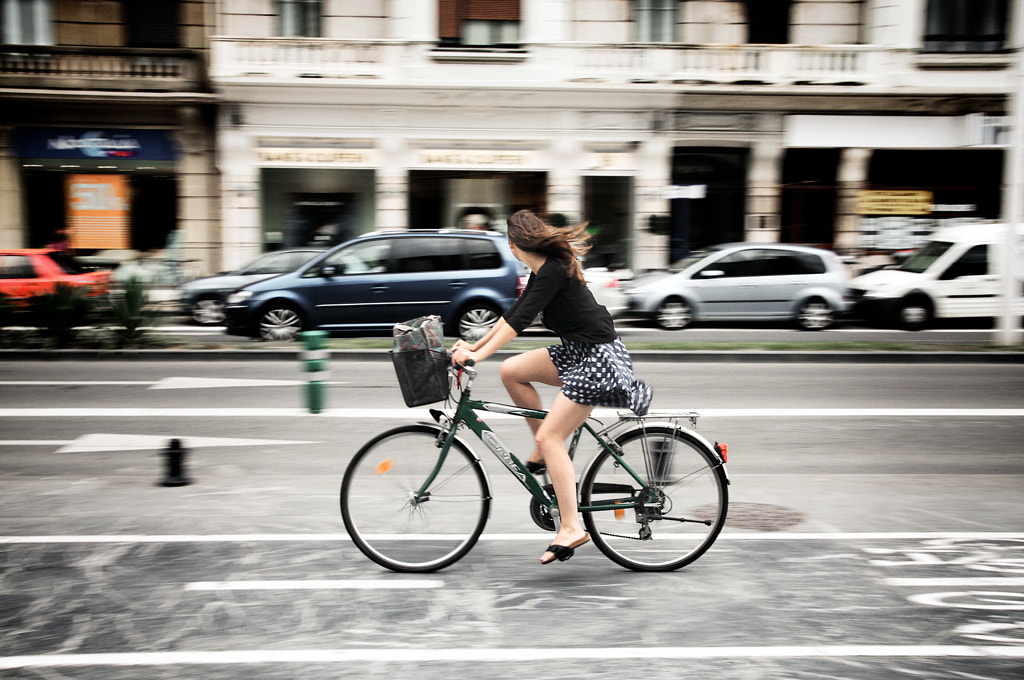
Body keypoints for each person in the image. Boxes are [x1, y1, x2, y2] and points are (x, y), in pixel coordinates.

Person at [451, 210, 652, 565]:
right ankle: (545, 451)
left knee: (551, 436)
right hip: (579, 352)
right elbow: (514, 313)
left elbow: (519, 322)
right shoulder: (543, 270)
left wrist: (476, 356)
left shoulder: (554, 270)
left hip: (598, 360)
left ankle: (572, 526)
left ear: (513, 245)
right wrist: (474, 346)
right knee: (512, 370)